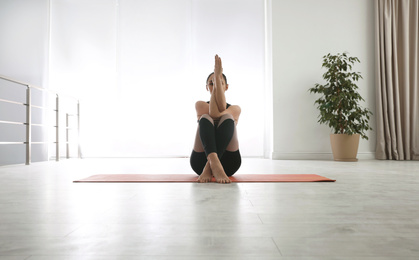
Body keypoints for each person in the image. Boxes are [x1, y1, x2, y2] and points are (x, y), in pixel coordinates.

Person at [190, 55, 241, 183]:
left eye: (219, 83)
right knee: (206, 118)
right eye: (211, 84)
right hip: (199, 163)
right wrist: (217, 80)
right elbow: (212, 114)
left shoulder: (235, 108)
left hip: (229, 164)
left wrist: (217, 80)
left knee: (227, 117)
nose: (214, 86)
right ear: (207, 87)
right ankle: (213, 162)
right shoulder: (200, 105)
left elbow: (218, 113)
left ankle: (211, 165)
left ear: (226, 87)